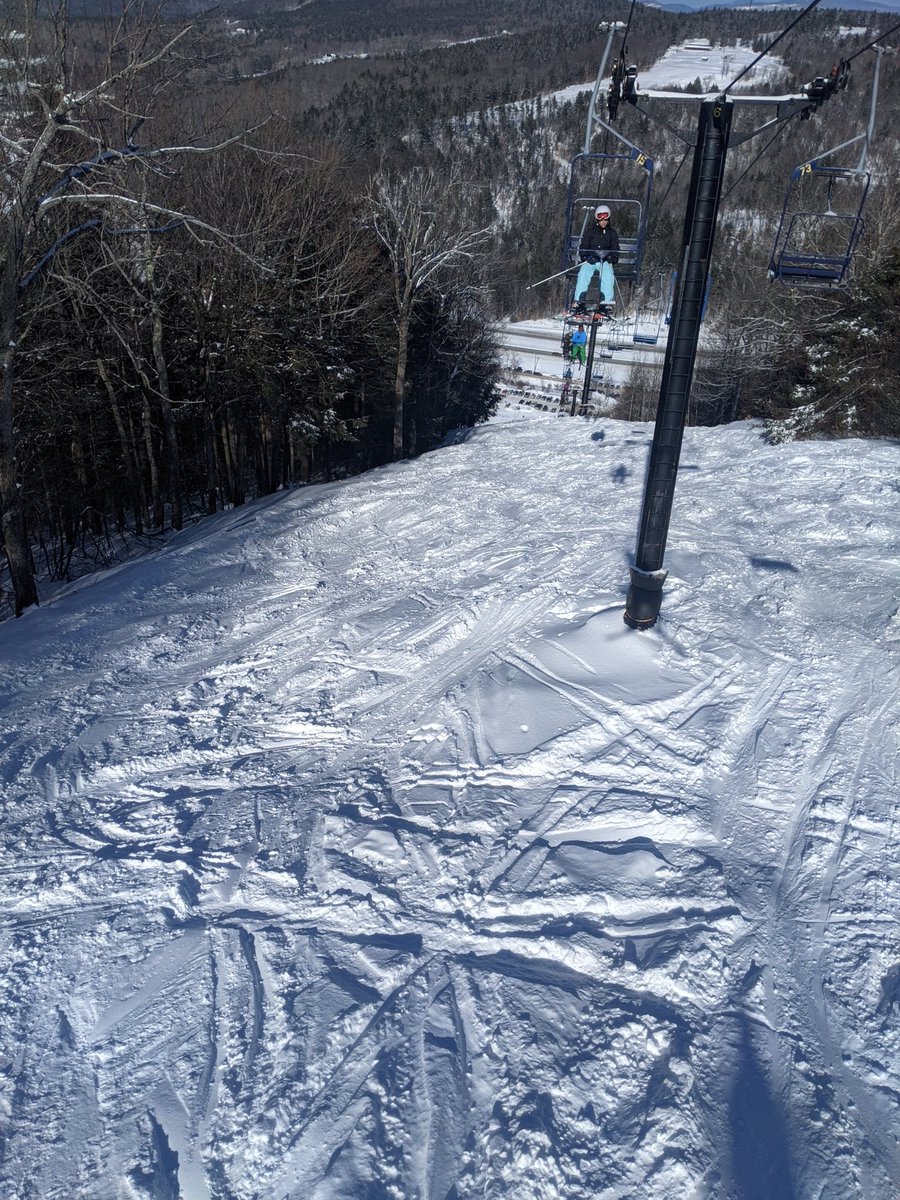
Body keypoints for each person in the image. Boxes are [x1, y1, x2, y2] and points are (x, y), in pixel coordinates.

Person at [571, 204, 619, 314]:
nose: (603, 221)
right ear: (597, 218)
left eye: (605, 218)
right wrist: (586, 257)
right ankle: (579, 301)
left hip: (604, 261)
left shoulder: (612, 233)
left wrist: (612, 258)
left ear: (608, 218)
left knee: (608, 275)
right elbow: (583, 247)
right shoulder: (590, 232)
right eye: (600, 217)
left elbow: (615, 248)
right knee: (583, 273)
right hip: (591, 260)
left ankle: (606, 303)